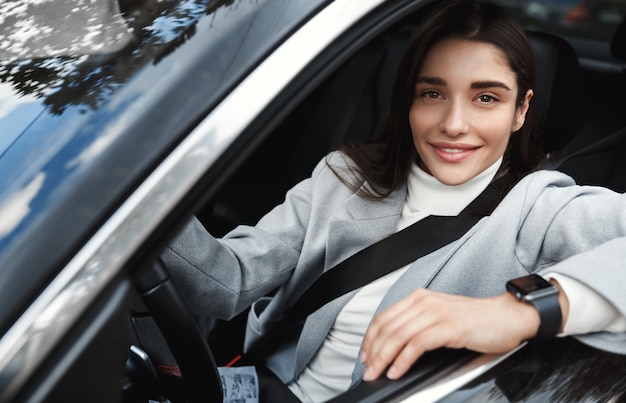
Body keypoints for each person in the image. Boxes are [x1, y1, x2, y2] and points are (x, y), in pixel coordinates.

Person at [161, 1, 626, 401]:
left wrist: (520, 310)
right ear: (408, 102)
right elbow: (224, 284)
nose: (454, 124)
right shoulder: (343, 178)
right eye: (432, 94)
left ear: (520, 110)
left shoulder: (541, 210)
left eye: (486, 97)